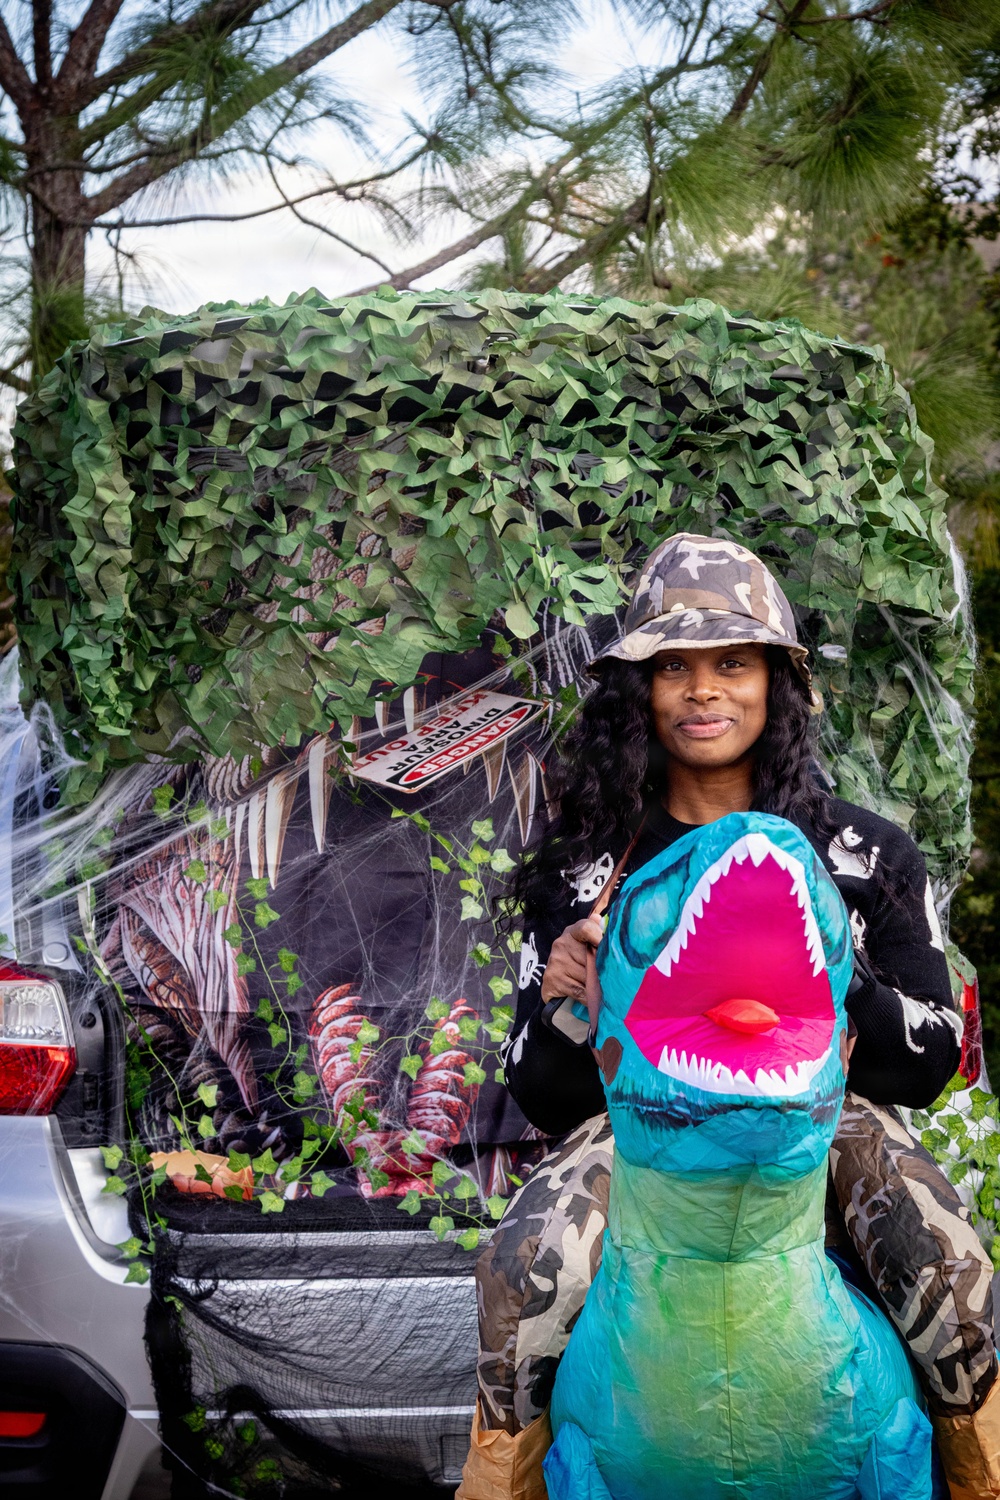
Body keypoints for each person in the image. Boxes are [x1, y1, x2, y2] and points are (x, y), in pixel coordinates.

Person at [457, 534, 1000, 1500]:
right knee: (523, 1266)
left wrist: (830, 984)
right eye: (674, 668)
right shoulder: (585, 867)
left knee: (946, 1256)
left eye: (732, 664)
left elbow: (932, 1051)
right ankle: (505, 1479)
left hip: (823, 1121)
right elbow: (537, 1093)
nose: (704, 691)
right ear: (642, 693)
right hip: (642, 1135)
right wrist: (574, 996)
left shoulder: (864, 854)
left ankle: (976, 1474)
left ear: (776, 684)